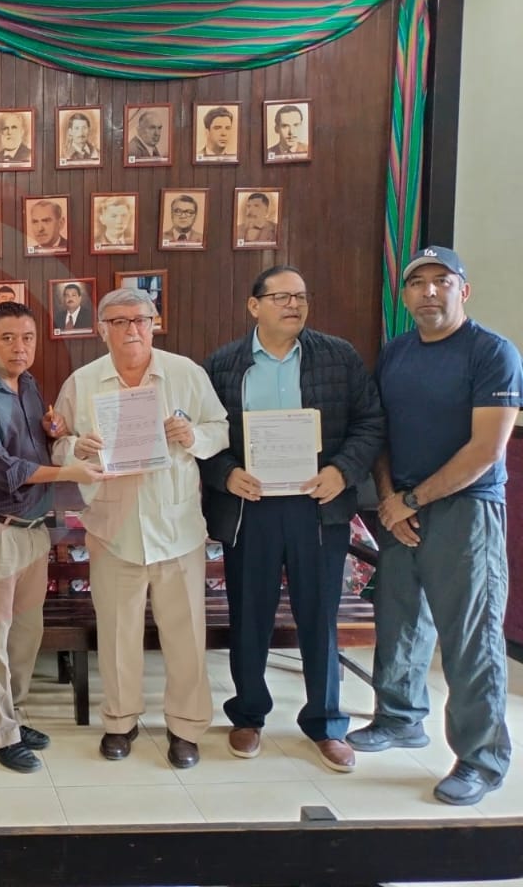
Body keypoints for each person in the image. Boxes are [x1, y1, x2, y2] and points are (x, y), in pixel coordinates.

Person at [347, 247, 522, 806]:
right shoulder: (396, 354)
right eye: (417, 282)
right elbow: (379, 431)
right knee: (399, 619)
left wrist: (412, 500)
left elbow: (487, 449)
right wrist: (390, 500)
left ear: (462, 290)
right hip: (400, 505)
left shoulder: (492, 352)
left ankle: (481, 759)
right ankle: (398, 717)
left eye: (441, 281)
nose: (428, 291)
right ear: (404, 296)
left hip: (465, 510)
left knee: (470, 637)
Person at [200, 265, 384, 774]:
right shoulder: (223, 365)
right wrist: (226, 474)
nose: (294, 305)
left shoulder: (338, 356)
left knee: (319, 615)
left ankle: (326, 723)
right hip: (250, 509)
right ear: (253, 306)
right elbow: (203, 435)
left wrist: (342, 471)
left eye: (301, 296)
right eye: (281, 297)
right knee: (250, 614)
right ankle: (248, 714)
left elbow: (370, 422)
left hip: (318, 507)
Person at [52, 288, 228, 768]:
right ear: (101, 329)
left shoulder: (185, 374)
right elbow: (58, 444)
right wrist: (77, 448)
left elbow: (220, 429)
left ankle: (186, 728)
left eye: (141, 319)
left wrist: (194, 436)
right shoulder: (82, 382)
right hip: (114, 530)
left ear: (154, 324)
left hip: (177, 528)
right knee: (117, 635)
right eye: (119, 321)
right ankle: (120, 721)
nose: (132, 329)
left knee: (185, 637)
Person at [0, 301, 101, 772]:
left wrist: (53, 431)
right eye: (8, 338)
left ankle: (10, 715)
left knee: (26, 634)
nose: (19, 347)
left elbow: (32, 446)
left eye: (28, 338)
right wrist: (69, 471)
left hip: (35, 529)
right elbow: (1, 470)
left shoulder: (29, 385)